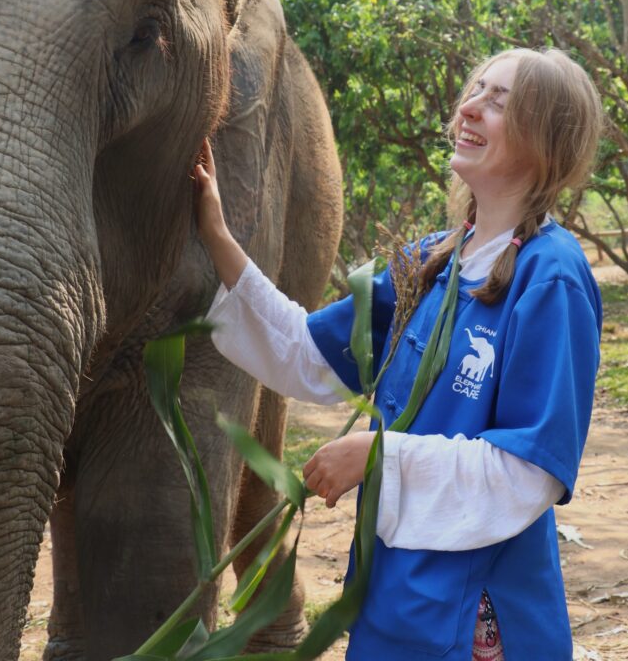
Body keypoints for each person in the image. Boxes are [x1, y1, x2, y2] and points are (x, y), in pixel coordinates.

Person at [194, 47, 604, 661]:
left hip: (474, 614)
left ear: (546, 137)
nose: (469, 108)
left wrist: (379, 455)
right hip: (392, 591)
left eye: (499, 102)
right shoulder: (434, 260)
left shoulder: (552, 277)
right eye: (475, 90)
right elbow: (309, 354)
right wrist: (217, 237)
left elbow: (531, 471)